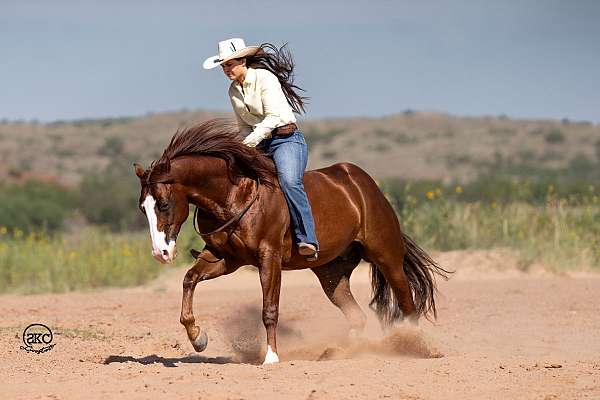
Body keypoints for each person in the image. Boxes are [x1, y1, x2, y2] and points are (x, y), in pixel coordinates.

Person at [203, 38, 320, 261]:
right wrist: (242, 148)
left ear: (243, 61)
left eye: (229, 64)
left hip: (286, 139)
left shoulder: (265, 79)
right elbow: (243, 127)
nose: (226, 70)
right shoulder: (233, 91)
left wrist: (248, 144)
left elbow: (274, 117)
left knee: (288, 181)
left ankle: (308, 239)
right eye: (223, 66)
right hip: (260, 144)